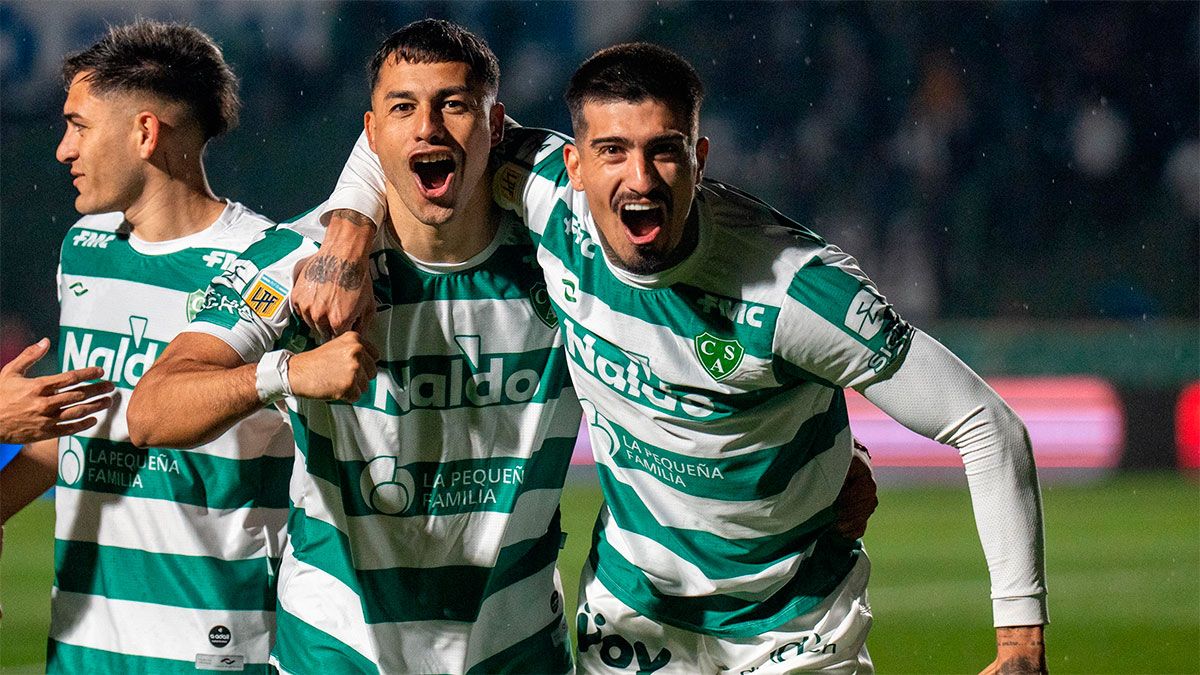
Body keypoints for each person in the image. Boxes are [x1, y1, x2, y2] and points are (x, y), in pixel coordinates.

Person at [309, 43, 1048, 674]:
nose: (640, 178)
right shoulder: (545, 196)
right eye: (612, 152)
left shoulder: (795, 289)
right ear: (574, 165)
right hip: (634, 618)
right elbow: (415, 131)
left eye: (664, 150)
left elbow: (986, 424)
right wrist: (348, 229)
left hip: (790, 626)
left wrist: (1019, 642)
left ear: (699, 157)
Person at [129, 20, 580, 673]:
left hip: (513, 649)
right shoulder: (295, 263)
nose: (427, 128)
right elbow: (151, 411)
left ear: (495, 125)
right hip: (338, 649)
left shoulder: (561, 264)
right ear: (370, 134)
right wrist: (287, 373)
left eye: (453, 105)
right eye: (402, 108)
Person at [0, 21, 293, 673]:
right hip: (81, 648)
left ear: (144, 133)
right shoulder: (86, 248)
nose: (62, 149)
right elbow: (79, 427)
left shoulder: (270, 263)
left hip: (210, 649)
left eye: (78, 126)